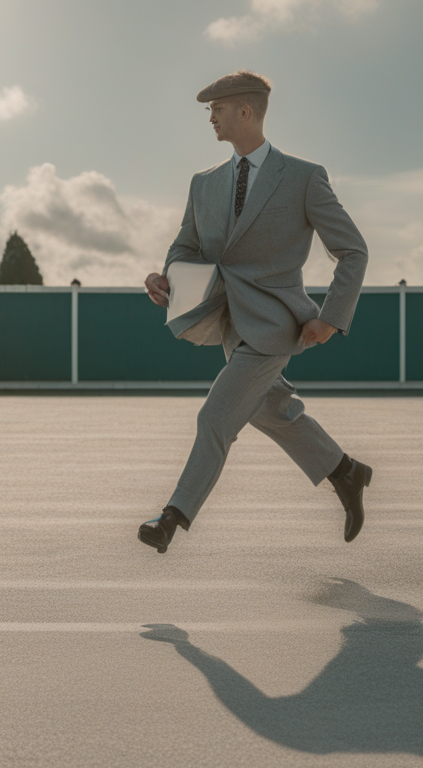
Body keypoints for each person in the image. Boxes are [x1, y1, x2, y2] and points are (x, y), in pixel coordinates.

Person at [138, 70, 372, 554]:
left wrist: (330, 317)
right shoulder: (204, 184)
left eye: (216, 109)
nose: (210, 118)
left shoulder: (304, 178)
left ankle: (171, 518)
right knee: (273, 410)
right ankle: (346, 472)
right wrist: (166, 277)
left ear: (245, 111)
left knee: (216, 417)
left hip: (276, 325)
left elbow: (353, 250)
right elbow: (186, 245)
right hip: (230, 322)